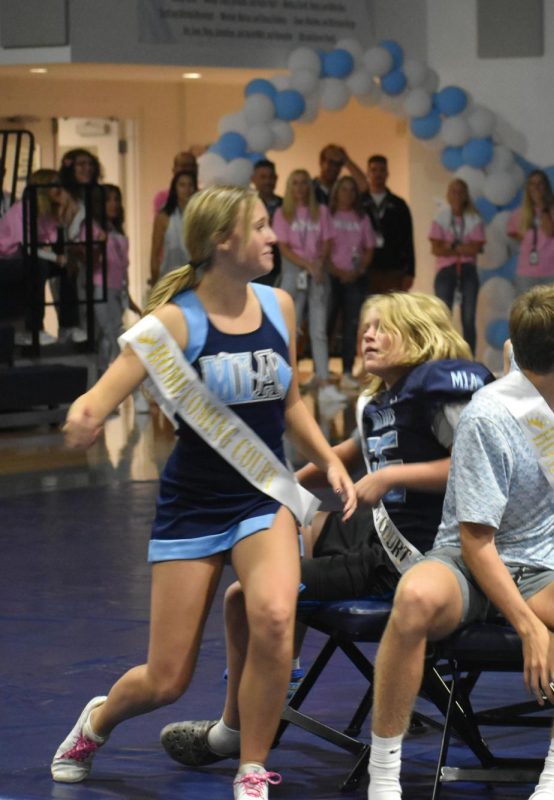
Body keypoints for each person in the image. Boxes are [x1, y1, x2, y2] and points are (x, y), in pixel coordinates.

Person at [51, 184, 357, 799]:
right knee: (167, 679)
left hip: (260, 499)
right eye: (262, 226)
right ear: (224, 241)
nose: (276, 237)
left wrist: (327, 456)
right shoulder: (174, 322)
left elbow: (290, 399)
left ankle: (251, 768)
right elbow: (104, 395)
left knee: (274, 617)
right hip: (192, 508)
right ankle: (97, 720)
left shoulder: (279, 307)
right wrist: (84, 416)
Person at [158, 291, 493, 768]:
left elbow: (476, 465)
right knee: (291, 534)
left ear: (418, 333)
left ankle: (238, 727)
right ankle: (270, 693)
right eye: (366, 325)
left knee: (243, 596)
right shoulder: (383, 399)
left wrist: (392, 476)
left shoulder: (441, 389)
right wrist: (277, 490)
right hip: (375, 544)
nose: (368, 335)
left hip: (416, 562)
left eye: (382, 326)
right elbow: (346, 457)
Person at [366, 284, 554, 800]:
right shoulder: (489, 415)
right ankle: (384, 779)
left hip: (537, 566)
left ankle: (553, 783)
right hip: (467, 563)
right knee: (414, 597)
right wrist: (529, 627)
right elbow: (476, 543)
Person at [274, 169, 338, 408]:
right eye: (295, 183)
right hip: (294, 274)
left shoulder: (320, 212)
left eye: (304, 183)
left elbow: (328, 240)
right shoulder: (283, 213)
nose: (300, 188)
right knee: (291, 328)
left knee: (319, 329)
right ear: (290, 187)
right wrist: (307, 265)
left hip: (318, 273)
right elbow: (283, 247)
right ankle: (287, 381)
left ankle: (323, 380)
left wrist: (318, 262)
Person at [0, 168, 71, 346]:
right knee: (38, 266)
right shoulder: (22, 209)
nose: (59, 190)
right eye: (54, 185)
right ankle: (34, 328)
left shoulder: (47, 212)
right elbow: (27, 245)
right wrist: (56, 258)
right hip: (7, 257)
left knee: (68, 268)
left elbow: (53, 239)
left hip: (24, 256)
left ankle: (68, 325)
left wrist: (66, 208)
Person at [326, 176, 375, 389]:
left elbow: (369, 247)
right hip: (330, 276)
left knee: (351, 325)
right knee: (325, 324)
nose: (348, 193)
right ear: (336, 192)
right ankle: (323, 370)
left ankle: (346, 370)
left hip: (355, 278)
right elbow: (321, 247)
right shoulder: (326, 215)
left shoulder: (362, 217)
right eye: (343, 189)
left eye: (351, 190)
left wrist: (358, 270)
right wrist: (334, 269)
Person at [430, 178, 484, 354]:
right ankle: (442, 356)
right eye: (453, 191)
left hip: (468, 271)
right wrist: (462, 248)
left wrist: (450, 246)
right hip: (445, 271)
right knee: (443, 316)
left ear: (466, 195)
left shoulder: (474, 219)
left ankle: (469, 359)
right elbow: (436, 249)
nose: (457, 195)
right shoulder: (441, 217)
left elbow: (476, 248)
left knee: (468, 318)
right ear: (448, 194)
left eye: (461, 191)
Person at [58, 148, 105, 343]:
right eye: (81, 164)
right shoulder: (65, 195)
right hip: (72, 257)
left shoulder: (97, 193)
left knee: (95, 313)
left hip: (94, 259)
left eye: (90, 164)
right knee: (74, 309)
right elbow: (62, 227)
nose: (87, 169)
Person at [362, 154, 415, 293]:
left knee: (392, 312)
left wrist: (410, 271)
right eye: (374, 170)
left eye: (381, 170)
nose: (378, 174)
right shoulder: (360, 203)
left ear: (387, 174)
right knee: (369, 311)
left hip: (394, 268)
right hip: (366, 269)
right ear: (368, 173)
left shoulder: (399, 204)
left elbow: (408, 238)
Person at [507, 170, 554, 294]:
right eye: (532, 184)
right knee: (527, 310)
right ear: (527, 188)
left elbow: (550, 231)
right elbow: (511, 231)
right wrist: (527, 241)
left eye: (540, 183)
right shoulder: (521, 211)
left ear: (546, 186)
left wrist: (542, 206)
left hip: (553, 270)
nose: (536, 187)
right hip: (526, 271)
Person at [94, 184, 129, 371]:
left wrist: (127, 294)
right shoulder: (96, 230)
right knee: (113, 335)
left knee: (109, 339)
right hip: (102, 286)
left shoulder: (117, 231)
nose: (114, 204)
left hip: (117, 289)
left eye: (116, 199)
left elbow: (123, 265)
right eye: (108, 200)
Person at [150, 170, 197, 286]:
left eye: (190, 185)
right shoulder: (164, 216)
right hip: (169, 277)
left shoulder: (201, 216)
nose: (187, 189)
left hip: (195, 278)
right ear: (174, 189)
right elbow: (154, 253)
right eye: (182, 185)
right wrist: (155, 282)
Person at [251, 159, 283, 287]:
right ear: (253, 179)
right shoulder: (248, 207)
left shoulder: (286, 205)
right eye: (263, 177)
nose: (267, 181)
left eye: (271, 177)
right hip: (255, 267)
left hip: (281, 268)